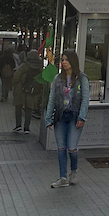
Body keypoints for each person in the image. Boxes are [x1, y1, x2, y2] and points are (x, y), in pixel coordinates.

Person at [44, 50, 90, 188]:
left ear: (73, 61)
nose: (64, 62)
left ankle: (73, 171)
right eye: (63, 60)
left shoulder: (82, 78)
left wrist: (82, 116)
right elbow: (52, 98)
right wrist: (48, 117)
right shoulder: (58, 78)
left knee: (71, 148)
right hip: (60, 116)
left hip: (75, 116)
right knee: (61, 148)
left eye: (66, 60)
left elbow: (85, 99)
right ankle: (63, 177)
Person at [12, 47, 45, 133]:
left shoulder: (25, 66)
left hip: (20, 89)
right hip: (32, 91)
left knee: (18, 107)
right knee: (29, 109)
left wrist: (15, 84)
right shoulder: (39, 67)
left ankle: (18, 125)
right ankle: (27, 128)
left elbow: (16, 76)